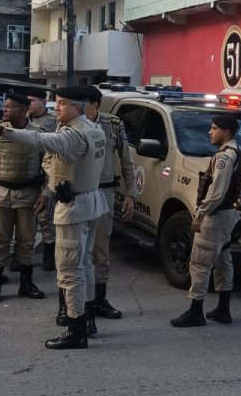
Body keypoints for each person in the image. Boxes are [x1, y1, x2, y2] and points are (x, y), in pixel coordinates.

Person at [0, 86, 108, 349]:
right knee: (85, 266)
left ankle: (76, 328)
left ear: (77, 107)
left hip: (75, 207)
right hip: (91, 201)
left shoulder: (74, 135)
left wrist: (0, 130)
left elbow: (40, 141)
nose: (55, 108)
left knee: (70, 271)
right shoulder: (93, 128)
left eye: (61, 103)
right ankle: (88, 320)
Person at [171, 114, 241, 327]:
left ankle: (196, 311)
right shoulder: (239, 153)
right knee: (223, 261)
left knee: (199, 263)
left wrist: (200, 214)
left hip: (216, 217)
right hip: (227, 215)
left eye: (214, 128)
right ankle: (223, 309)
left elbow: (216, 192)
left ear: (227, 132)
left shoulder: (225, 157)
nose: (210, 132)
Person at [0, 92, 46, 304]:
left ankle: (26, 284)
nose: (4, 110)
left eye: (10, 106)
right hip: (1, 195)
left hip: (28, 195)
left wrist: (46, 193)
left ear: (23, 110)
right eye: (4, 106)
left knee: (26, 242)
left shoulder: (38, 134)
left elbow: (50, 166)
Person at [84, 86, 137, 321]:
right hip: (78, 194)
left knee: (101, 249)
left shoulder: (112, 124)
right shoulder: (66, 126)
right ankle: (71, 304)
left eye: (82, 103)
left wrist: (130, 194)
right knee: (74, 251)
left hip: (104, 193)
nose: (76, 108)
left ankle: (99, 299)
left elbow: (127, 160)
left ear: (95, 104)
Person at [27, 87, 59, 271]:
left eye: (32, 100)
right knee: (26, 221)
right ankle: (23, 258)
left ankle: (49, 256)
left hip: (46, 175)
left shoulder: (54, 121)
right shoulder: (23, 120)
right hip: (26, 176)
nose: (29, 104)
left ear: (43, 102)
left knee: (46, 218)